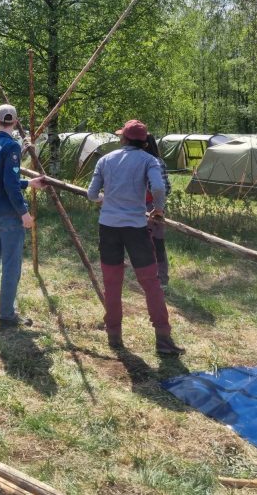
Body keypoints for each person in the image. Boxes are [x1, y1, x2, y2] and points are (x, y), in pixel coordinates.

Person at [87, 119, 185, 355]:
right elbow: (159, 188)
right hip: (136, 228)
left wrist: (105, 199)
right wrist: (158, 209)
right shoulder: (149, 160)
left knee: (112, 284)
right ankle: (163, 340)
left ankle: (114, 337)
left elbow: (91, 194)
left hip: (108, 227)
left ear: (123, 138)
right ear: (143, 141)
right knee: (151, 283)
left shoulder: (105, 160)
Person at [0, 104, 45, 330]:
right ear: (14, 123)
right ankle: (7, 315)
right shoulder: (12, 146)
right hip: (8, 214)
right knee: (11, 265)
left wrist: (28, 183)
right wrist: (23, 213)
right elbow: (9, 183)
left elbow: (0, 180)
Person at [145, 134, 170, 289]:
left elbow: (165, 187)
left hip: (152, 207)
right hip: (140, 207)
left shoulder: (155, 162)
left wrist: (157, 205)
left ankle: (161, 278)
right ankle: (150, 277)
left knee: (157, 243)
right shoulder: (139, 161)